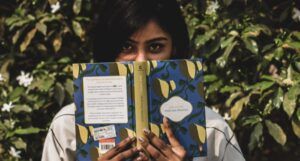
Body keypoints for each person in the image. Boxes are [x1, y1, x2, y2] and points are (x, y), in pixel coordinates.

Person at [42, 0, 245, 161]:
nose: (141, 61)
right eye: (126, 47)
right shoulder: (68, 126)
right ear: (108, 50)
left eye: (155, 47)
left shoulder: (212, 130)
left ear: (174, 50)